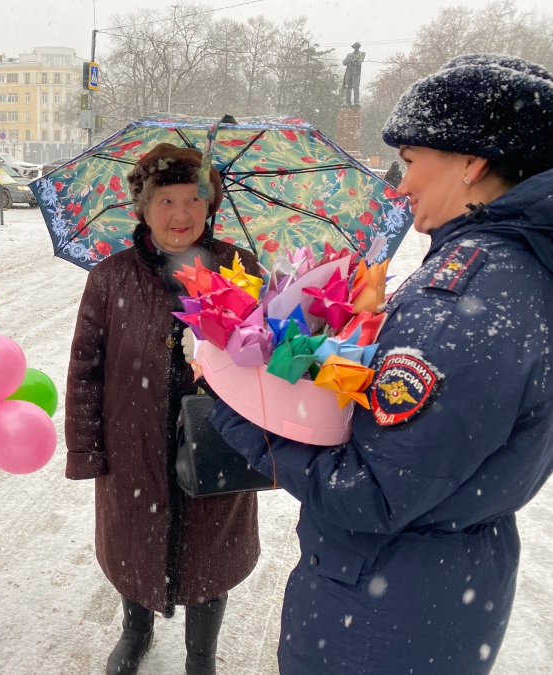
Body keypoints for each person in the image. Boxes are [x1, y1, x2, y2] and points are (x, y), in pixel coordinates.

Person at [208, 54, 553, 675]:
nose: (399, 185)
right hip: (442, 588)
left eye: (412, 162)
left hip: (379, 610)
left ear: (471, 164)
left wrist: (236, 411)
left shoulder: (463, 298)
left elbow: (367, 493)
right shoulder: (519, 270)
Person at [65, 143, 261, 675]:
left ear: (211, 204)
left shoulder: (239, 268)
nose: (181, 214)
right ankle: (136, 630)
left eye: (194, 199)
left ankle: (202, 655)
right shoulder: (110, 278)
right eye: (166, 200)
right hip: (134, 442)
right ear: (144, 208)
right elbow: (86, 367)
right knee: (135, 544)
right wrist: (86, 449)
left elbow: (272, 358)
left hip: (218, 439)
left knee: (211, 552)